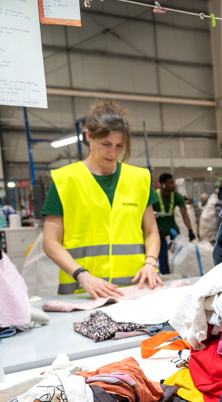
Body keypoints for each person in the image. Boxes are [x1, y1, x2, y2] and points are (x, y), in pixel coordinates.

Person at [42, 101, 163, 299]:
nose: (113, 153)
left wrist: (150, 262)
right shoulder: (64, 180)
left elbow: (151, 231)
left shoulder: (140, 179)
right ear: (89, 136)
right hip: (82, 293)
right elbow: (50, 242)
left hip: (134, 290)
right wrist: (82, 275)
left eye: (119, 146)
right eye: (105, 144)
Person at [153, 173, 196, 275]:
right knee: (162, 254)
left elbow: (184, 214)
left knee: (180, 252)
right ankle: (166, 276)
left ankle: (179, 274)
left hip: (172, 229)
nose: (174, 185)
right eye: (171, 183)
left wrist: (190, 230)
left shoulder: (176, 196)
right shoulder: (154, 196)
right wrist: (156, 231)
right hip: (159, 230)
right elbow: (148, 216)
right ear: (163, 184)